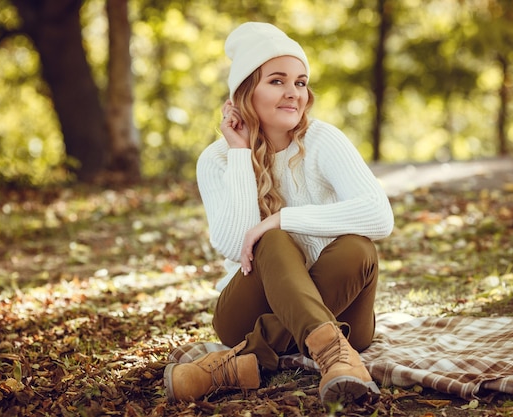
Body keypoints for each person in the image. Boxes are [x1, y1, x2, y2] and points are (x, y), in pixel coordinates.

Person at [163, 21, 394, 406]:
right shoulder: (217, 159)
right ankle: (334, 357)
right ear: (245, 93)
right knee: (270, 239)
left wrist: (281, 218)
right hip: (246, 313)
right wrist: (239, 152)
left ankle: (246, 362)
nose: (293, 93)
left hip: (342, 311)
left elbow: (379, 216)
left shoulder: (323, 140)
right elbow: (231, 245)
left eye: (301, 82)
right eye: (277, 81)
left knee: (359, 248)